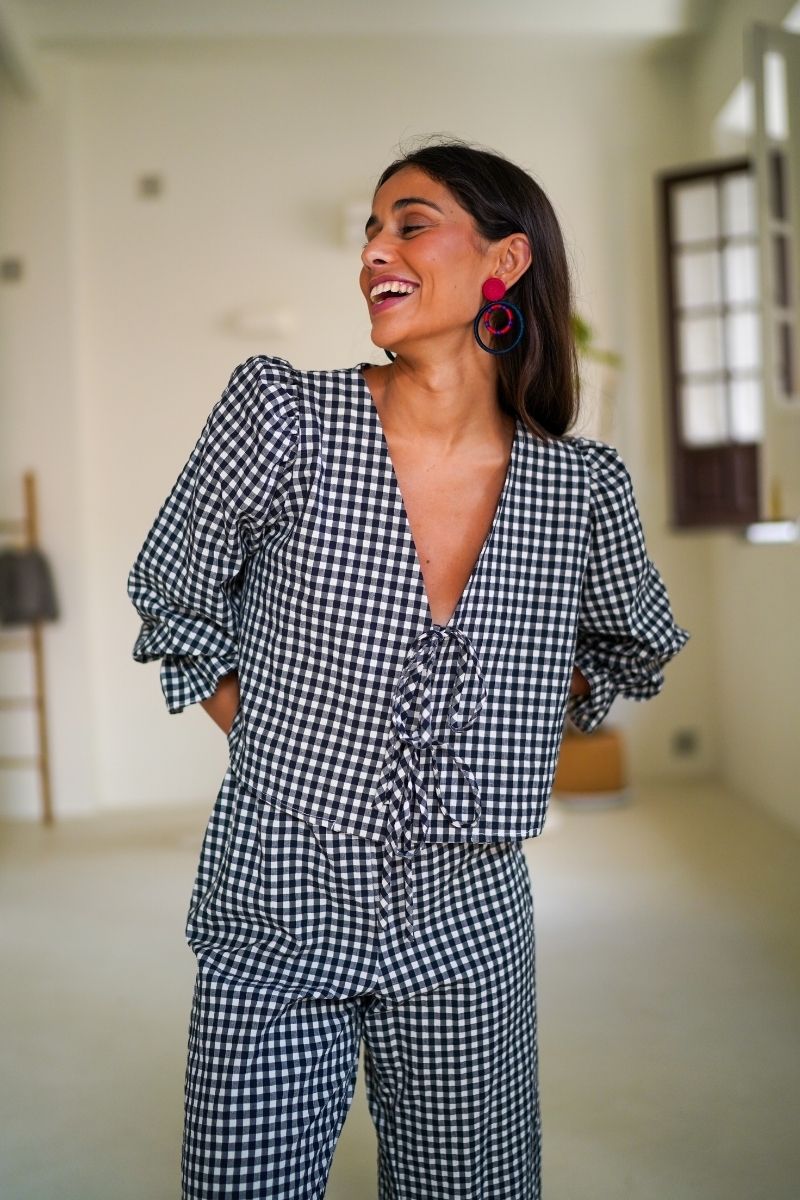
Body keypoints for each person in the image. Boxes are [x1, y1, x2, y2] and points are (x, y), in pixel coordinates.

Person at [127, 138, 689, 1200]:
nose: (373, 252)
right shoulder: (284, 418)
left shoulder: (578, 489)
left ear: (505, 261)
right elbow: (175, 592)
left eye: (410, 224)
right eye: (369, 232)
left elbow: (631, 643)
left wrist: (518, 709)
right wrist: (267, 732)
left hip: (468, 918)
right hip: (277, 894)